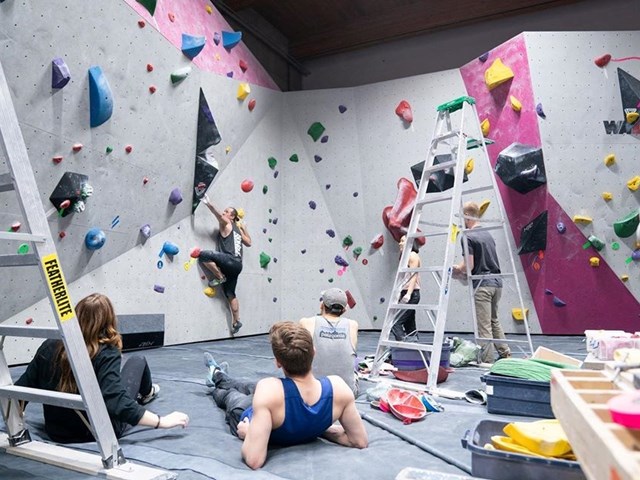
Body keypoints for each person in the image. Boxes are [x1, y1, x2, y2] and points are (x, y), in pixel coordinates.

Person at [15, 293, 189, 443]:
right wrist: (162, 421)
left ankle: (148, 391)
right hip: (97, 432)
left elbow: (22, 388)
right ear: (108, 321)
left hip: (57, 432)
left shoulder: (50, 345)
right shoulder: (105, 352)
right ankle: (148, 392)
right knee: (138, 360)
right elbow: (116, 402)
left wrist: (16, 420)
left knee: (113, 380)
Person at [203, 321, 368, 470]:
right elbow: (359, 441)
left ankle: (216, 375)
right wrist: (319, 428)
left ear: (278, 362)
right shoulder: (339, 388)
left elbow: (254, 460)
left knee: (230, 396)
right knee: (249, 386)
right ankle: (223, 376)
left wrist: (251, 432)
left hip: (247, 415)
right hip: (274, 405)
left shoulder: (269, 389)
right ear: (314, 352)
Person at [452, 201, 511, 363]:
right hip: (497, 283)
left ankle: (487, 360)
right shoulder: (487, 234)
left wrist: (456, 270)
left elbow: (468, 266)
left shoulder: (467, 236)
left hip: (482, 285)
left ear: (467, 217)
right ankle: (505, 352)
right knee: (494, 320)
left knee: (483, 326)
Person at [199, 193, 252, 335]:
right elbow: (249, 242)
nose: (224, 213)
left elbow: (217, 215)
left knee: (203, 255)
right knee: (230, 294)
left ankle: (219, 276)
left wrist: (209, 204)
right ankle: (236, 321)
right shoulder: (238, 230)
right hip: (237, 266)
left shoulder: (227, 223)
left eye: (227, 212)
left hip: (229, 260)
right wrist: (244, 228)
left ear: (232, 217)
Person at [299, 288, 359, 395]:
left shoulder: (306, 322)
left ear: (321, 305)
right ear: (344, 310)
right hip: (346, 394)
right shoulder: (353, 325)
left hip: (314, 393)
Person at [392, 235, 421, 341]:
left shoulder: (412, 255)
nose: (400, 243)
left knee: (395, 322)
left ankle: (402, 347)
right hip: (406, 292)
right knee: (410, 325)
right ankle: (414, 349)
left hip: (411, 293)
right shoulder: (404, 257)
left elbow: (413, 276)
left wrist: (408, 294)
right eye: (400, 241)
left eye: (403, 241)